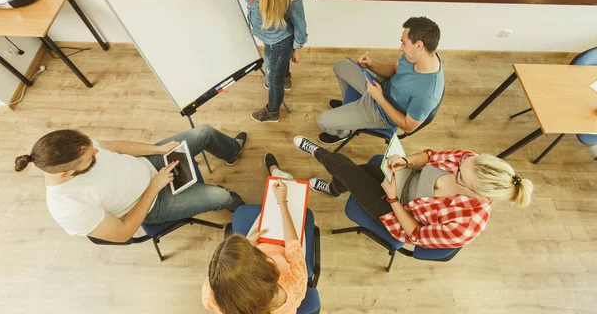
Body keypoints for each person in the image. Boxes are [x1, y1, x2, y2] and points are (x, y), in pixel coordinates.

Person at [151, 0, 307, 123]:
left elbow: (300, 23)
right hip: (265, 33)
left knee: (271, 79)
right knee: (277, 66)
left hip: (280, 39)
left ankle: (273, 112)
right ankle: (285, 78)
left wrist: (298, 47)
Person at [14, 125, 246, 242]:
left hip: (150, 164)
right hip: (153, 203)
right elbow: (124, 233)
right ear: (67, 173)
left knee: (203, 132)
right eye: (90, 158)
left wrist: (157, 149)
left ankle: (232, 151)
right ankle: (239, 208)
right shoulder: (69, 208)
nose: (96, 151)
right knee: (220, 196)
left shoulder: (76, 148)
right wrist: (155, 186)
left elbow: (115, 146)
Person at [293, 136, 533, 248]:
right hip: (404, 178)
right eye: (461, 164)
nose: (457, 166)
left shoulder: (467, 225)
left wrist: (393, 198)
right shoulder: (469, 161)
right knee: (354, 172)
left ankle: (320, 154)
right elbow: (431, 156)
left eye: (459, 173)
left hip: (400, 213)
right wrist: (407, 161)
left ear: (476, 192)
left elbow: (416, 234)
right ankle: (334, 188)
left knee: (349, 171)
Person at [202, 154, 307, 314]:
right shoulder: (292, 287)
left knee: (266, 219)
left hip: (261, 248)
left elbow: (230, 278)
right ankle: (279, 176)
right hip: (285, 250)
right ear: (265, 267)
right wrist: (282, 202)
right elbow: (294, 247)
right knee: (294, 210)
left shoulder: (213, 295)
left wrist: (248, 245)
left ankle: (277, 175)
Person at [317, 16, 444, 144]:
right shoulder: (417, 55)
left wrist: (380, 98)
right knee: (340, 66)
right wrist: (371, 64)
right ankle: (348, 106)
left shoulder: (427, 95)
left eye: (404, 43)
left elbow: (407, 126)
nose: (401, 48)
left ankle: (342, 132)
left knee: (322, 121)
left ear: (419, 45)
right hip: (381, 86)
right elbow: (395, 69)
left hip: (381, 113)